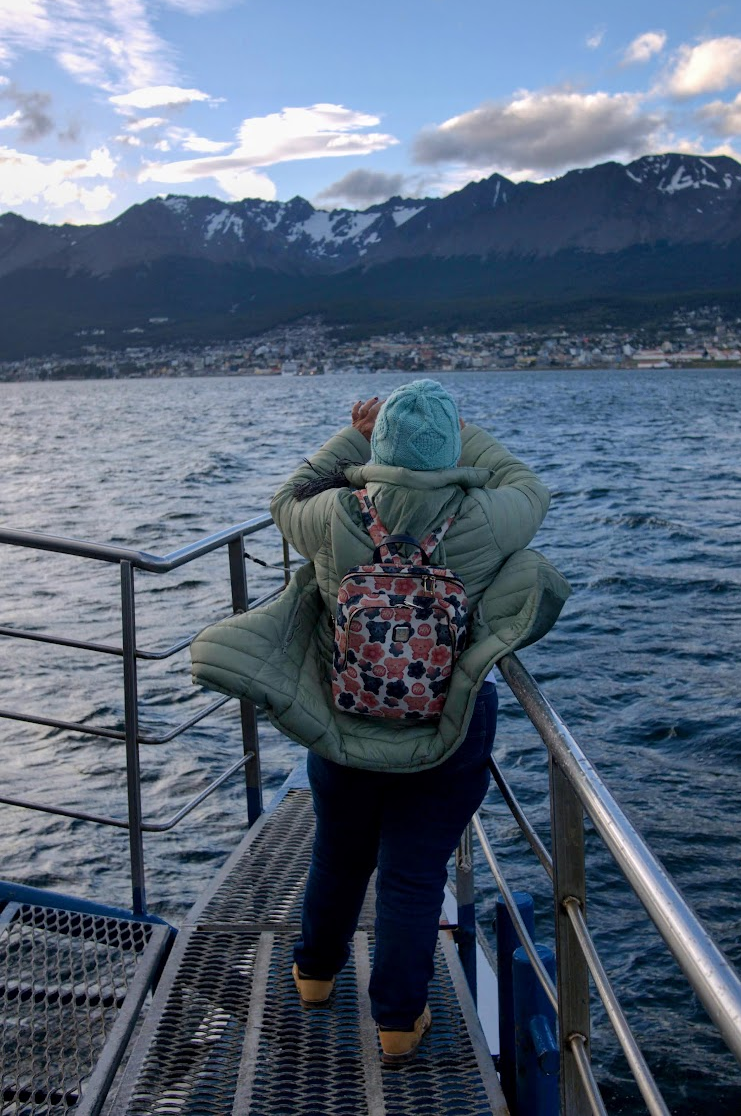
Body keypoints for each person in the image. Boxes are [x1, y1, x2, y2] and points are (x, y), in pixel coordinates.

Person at [263, 379, 567, 1064]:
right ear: (453, 447)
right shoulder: (485, 517)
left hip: (345, 725)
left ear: (381, 444)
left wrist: (356, 437)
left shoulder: (335, 513)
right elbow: (530, 487)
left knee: (338, 854)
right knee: (412, 875)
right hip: (445, 731)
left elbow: (285, 496)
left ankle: (314, 977)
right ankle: (399, 1022)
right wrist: (467, 435)